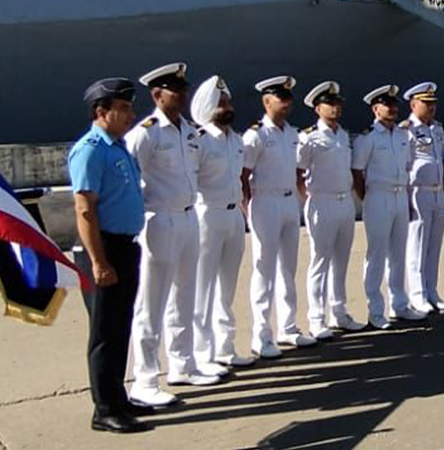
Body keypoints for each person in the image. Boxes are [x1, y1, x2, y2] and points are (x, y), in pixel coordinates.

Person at [123, 63, 220, 414]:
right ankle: (145, 380)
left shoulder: (189, 132)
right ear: (157, 95)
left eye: (182, 89)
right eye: (173, 90)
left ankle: (182, 363)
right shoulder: (146, 133)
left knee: (184, 294)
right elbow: (128, 178)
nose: (180, 95)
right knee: (151, 301)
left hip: (189, 217)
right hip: (159, 219)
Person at [69, 77, 151, 434]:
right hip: (103, 248)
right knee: (104, 331)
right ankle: (104, 409)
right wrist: (99, 262)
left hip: (125, 246)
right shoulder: (90, 149)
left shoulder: (117, 147)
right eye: (124, 109)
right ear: (102, 112)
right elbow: (85, 209)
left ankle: (117, 396)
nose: (131, 115)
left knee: (120, 326)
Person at [242, 76, 314, 360]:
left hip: (287, 203)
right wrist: (248, 208)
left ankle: (288, 326)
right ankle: (262, 336)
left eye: (288, 98)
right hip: (265, 203)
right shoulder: (256, 135)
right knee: (264, 271)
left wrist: (303, 196)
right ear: (266, 101)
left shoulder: (291, 133)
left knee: (288, 268)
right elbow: (243, 175)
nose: (286, 104)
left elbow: (297, 171)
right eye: (280, 98)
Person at [189, 77, 252, 370]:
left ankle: (225, 347)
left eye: (228, 102)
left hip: (233, 215)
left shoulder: (236, 140)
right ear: (207, 108)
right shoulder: (198, 140)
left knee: (227, 287)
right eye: (221, 104)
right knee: (203, 287)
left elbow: (241, 179)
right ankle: (203, 354)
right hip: (207, 215)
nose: (227, 108)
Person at [352, 85, 424, 328]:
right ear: (375, 108)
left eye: (394, 105)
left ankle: (400, 305)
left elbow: (406, 167)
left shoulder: (403, 135)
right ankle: (376, 311)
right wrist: (368, 198)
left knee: (398, 253)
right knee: (376, 255)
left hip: (399, 196)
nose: (392, 108)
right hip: (378, 197)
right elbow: (357, 172)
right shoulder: (368, 138)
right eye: (386, 104)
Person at [297, 81, 362, 341]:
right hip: (321, 202)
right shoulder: (309, 136)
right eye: (329, 104)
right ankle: (316, 318)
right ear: (317, 107)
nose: (335, 108)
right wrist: (307, 195)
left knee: (341, 261)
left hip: (344, 201)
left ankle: (339, 312)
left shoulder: (342, 135)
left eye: (337, 104)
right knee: (319, 262)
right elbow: (298, 170)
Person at [403, 81, 444, 313]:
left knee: (434, 245)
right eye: (426, 103)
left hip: (436, 192)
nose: (431, 107)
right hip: (417, 192)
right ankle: (417, 294)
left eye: (433, 103)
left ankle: (432, 290)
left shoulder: (437, 129)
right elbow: (403, 165)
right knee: (417, 245)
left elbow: (440, 160)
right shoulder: (406, 130)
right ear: (413, 104)